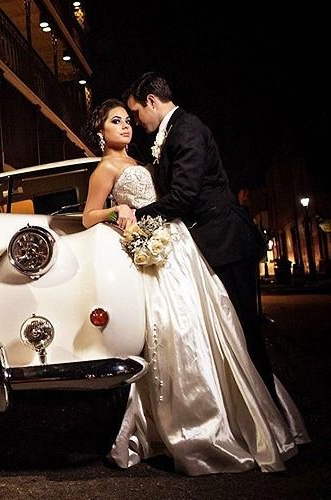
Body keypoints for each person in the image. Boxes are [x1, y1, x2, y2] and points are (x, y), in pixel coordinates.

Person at [81, 98, 309, 475]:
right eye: (116, 121)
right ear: (100, 131)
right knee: (174, 330)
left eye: (128, 120)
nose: (126, 126)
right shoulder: (103, 169)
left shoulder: (138, 162)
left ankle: (235, 416)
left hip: (180, 246)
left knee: (212, 324)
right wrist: (115, 211)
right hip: (155, 255)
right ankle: (192, 425)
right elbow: (89, 216)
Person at [123, 72, 275, 398]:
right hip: (212, 242)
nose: (136, 121)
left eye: (136, 112)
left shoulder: (186, 130)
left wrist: (140, 214)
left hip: (226, 240)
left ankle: (269, 413)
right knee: (231, 333)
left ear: (152, 101)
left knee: (245, 331)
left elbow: (184, 195)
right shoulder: (175, 131)